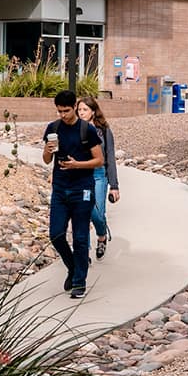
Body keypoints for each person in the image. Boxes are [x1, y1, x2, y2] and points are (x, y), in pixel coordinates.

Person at [42, 90, 105, 298]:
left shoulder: (86, 130)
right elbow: (46, 160)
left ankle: (79, 282)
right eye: (59, 111)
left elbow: (99, 160)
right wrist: (49, 150)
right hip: (60, 189)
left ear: (74, 107)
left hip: (82, 190)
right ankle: (72, 267)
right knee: (56, 234)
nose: (62, 115)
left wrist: (77, 165)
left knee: (79, 238)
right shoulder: (53, 128)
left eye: (66, 111)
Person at [76, 96, 120, 260]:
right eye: (79, 110)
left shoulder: (104, 130)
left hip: (99, 176)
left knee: (97, 215)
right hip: (80, 176)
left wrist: (114, 185)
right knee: (83, 214)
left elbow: (110, 157)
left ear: (93, 112)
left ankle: (102, 236)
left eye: (85, 110)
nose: (81, 113)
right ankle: (84, 252)